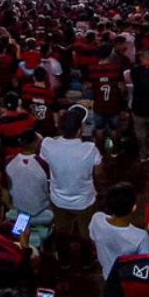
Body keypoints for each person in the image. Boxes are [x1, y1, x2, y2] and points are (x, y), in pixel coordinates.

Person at [39, 105, 102, 269]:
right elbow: (98, 171)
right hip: (85, 200)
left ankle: (64, 261)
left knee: (61, 233)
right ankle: (87, 262)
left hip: (58, 199)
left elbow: (44, 162)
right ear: (80, 130)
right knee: (86, 234)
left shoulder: (48, 145)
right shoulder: (90, 149)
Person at [90, 182, 149, 279]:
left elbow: (93, 239)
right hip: (129, 281)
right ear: (133, 208)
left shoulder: (97, 219)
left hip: (107, 276)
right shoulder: (141, 236)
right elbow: (146, 265)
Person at [5, 129, 53, 235]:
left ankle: (21, 240)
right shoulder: (43, 163)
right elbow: (50, 187)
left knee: (19, 236)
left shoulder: (9, 161)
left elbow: (7, 187)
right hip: (41, 208)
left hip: (19, 208)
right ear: (35, 142)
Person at [0, 93, 38, 164]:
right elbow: (33, 125)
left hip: (9, 157)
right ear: (17, 104)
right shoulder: (26, 115)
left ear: (5, 105)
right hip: (25, 154)